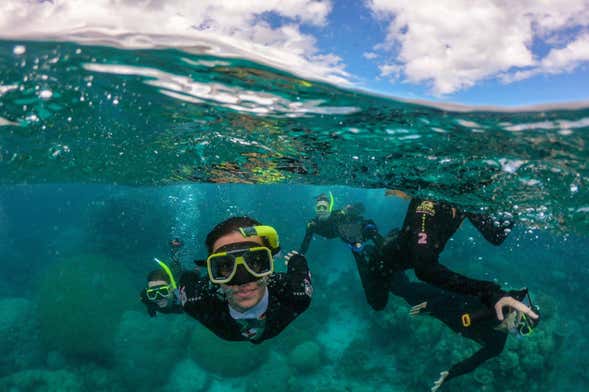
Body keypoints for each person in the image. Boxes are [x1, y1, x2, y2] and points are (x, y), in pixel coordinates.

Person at [363, 195, 538, 323]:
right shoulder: (429, 203)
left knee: (404, 255)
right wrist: (491, 293)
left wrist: (519, 206)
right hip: (386, 261)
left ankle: (375, 235)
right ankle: (364, 241)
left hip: (412, 248)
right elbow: (424, 269)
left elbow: (496, 235)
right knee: (378, 303)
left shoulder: (466, 198)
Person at [141, 217, 312, 343]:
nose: (241, 280)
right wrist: (297, 261)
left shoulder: (297, 293)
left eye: (256, 262)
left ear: (270, 263)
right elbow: (187, 281)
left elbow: (300, 275)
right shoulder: (195, 300)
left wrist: (298, 263)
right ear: (212, 271)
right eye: (224, 266)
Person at [407, 285, 541, 391]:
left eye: (524, 330)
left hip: (436, 311)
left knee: (402, 292)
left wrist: (451, 373)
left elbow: (474, 362)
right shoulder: (496, 304)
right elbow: (459, 294)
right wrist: (432, 305)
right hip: (436, 298)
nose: (517, 327)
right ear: (518, 309)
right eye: (521, 320)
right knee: (405, 289)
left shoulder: (497, 345)